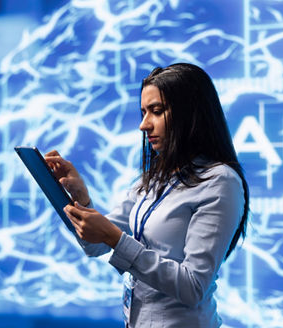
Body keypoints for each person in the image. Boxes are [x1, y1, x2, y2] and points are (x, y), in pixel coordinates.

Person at [45, 63, 249, 328]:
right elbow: (95, 244)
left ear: (190, 114)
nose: (143, 125)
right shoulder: (155, 177)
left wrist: (114, 238)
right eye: (143, 112)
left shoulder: (220, 181)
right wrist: (80, 197)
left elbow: (193, 287)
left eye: (156, 111)